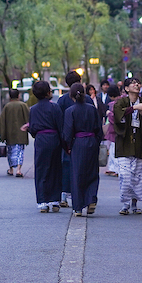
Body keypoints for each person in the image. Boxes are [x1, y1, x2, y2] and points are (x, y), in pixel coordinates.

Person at [113, 76, 142, 215]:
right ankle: (125, 203)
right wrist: (134, 108)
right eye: (133, 83)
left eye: (138, 83)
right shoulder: (120, 102)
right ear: (126, 88)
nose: (136, 85)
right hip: (124, 144)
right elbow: (118, 116)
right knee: (125, 176)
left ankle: (134, 204)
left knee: (137, 176)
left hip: (138, 143)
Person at [62, 83, 103, 217]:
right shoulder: (92, 109)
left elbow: (67, 133)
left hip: (78, 143)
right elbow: (98, 129)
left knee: (77, 174)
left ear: (71, 96)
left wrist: (68, 146)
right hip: (91, 141)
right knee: (92, 172)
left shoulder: (70, 111)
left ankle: (78, 207)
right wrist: (96, 141)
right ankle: (91, 199)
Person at [23, 80, 64, 213]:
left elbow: (33, 128)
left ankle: (42, 201)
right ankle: (55, 199)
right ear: (48, 93)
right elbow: (60, 126)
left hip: (41, 140)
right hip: (54, 139)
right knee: (55, 169)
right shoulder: (55, 107)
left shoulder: (33, 109)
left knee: (41, 170)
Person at [56, 71, 94, 207]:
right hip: (86, 138)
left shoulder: (62, 100)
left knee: (66, 165)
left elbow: (59, 121)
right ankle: (84, 195)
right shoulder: (88, 100)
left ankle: (64, 195)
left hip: (68, 139)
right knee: (85, 167)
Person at [0, 88, 29, 177]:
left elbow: (2, 121)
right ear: (18, 96)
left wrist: (2, 134)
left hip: (9, 133)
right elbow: (28, 118)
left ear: (9, 96)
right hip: (21, 132)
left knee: (10, 151)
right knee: (20, 151)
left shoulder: (7, 106)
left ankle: (11, 169)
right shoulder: (23, 105)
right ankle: (19, 169)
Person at [102, 85, 121, 176]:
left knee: (114, 150)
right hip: (118, 130)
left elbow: (114, 118)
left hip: (115, 130)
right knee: (113, 149)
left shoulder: (114, 104)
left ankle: (116, 169)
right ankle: (113, 168)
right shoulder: (122, 101)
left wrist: (109, 113)